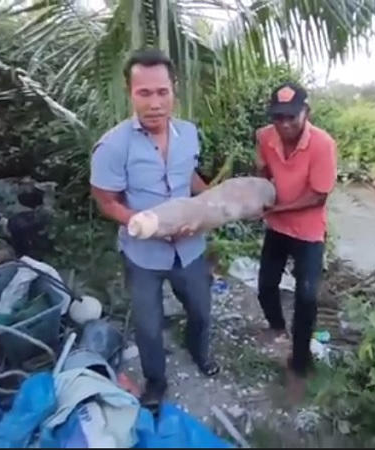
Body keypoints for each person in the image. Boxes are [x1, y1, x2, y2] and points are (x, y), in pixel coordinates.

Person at [89, 49, 220, 408]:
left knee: (201, 311)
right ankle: (156, 381)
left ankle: (198, 351)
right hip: (142, 254)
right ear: (129, 93)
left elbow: (188, 177)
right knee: (148, 325)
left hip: (190, 248)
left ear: (173, 90)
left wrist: (210, 201)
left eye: (162, 92)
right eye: (144, 93)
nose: (155, 102)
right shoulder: (112, 146)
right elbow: (106, 199)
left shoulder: (190, 133)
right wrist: (146, 225)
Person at [254, 82, 338, 400]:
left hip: (308, 231)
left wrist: (276, 207)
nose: (285, 124)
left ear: (306, 112)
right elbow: (262, 170)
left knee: (306, 298)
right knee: (265, 286)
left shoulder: (322, 145)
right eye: (278, 117)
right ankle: (276, 327)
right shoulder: (265, 137)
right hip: (277, 226)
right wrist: (258, 196)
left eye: (292, 116)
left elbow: (318, 196)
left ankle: (299, 365)